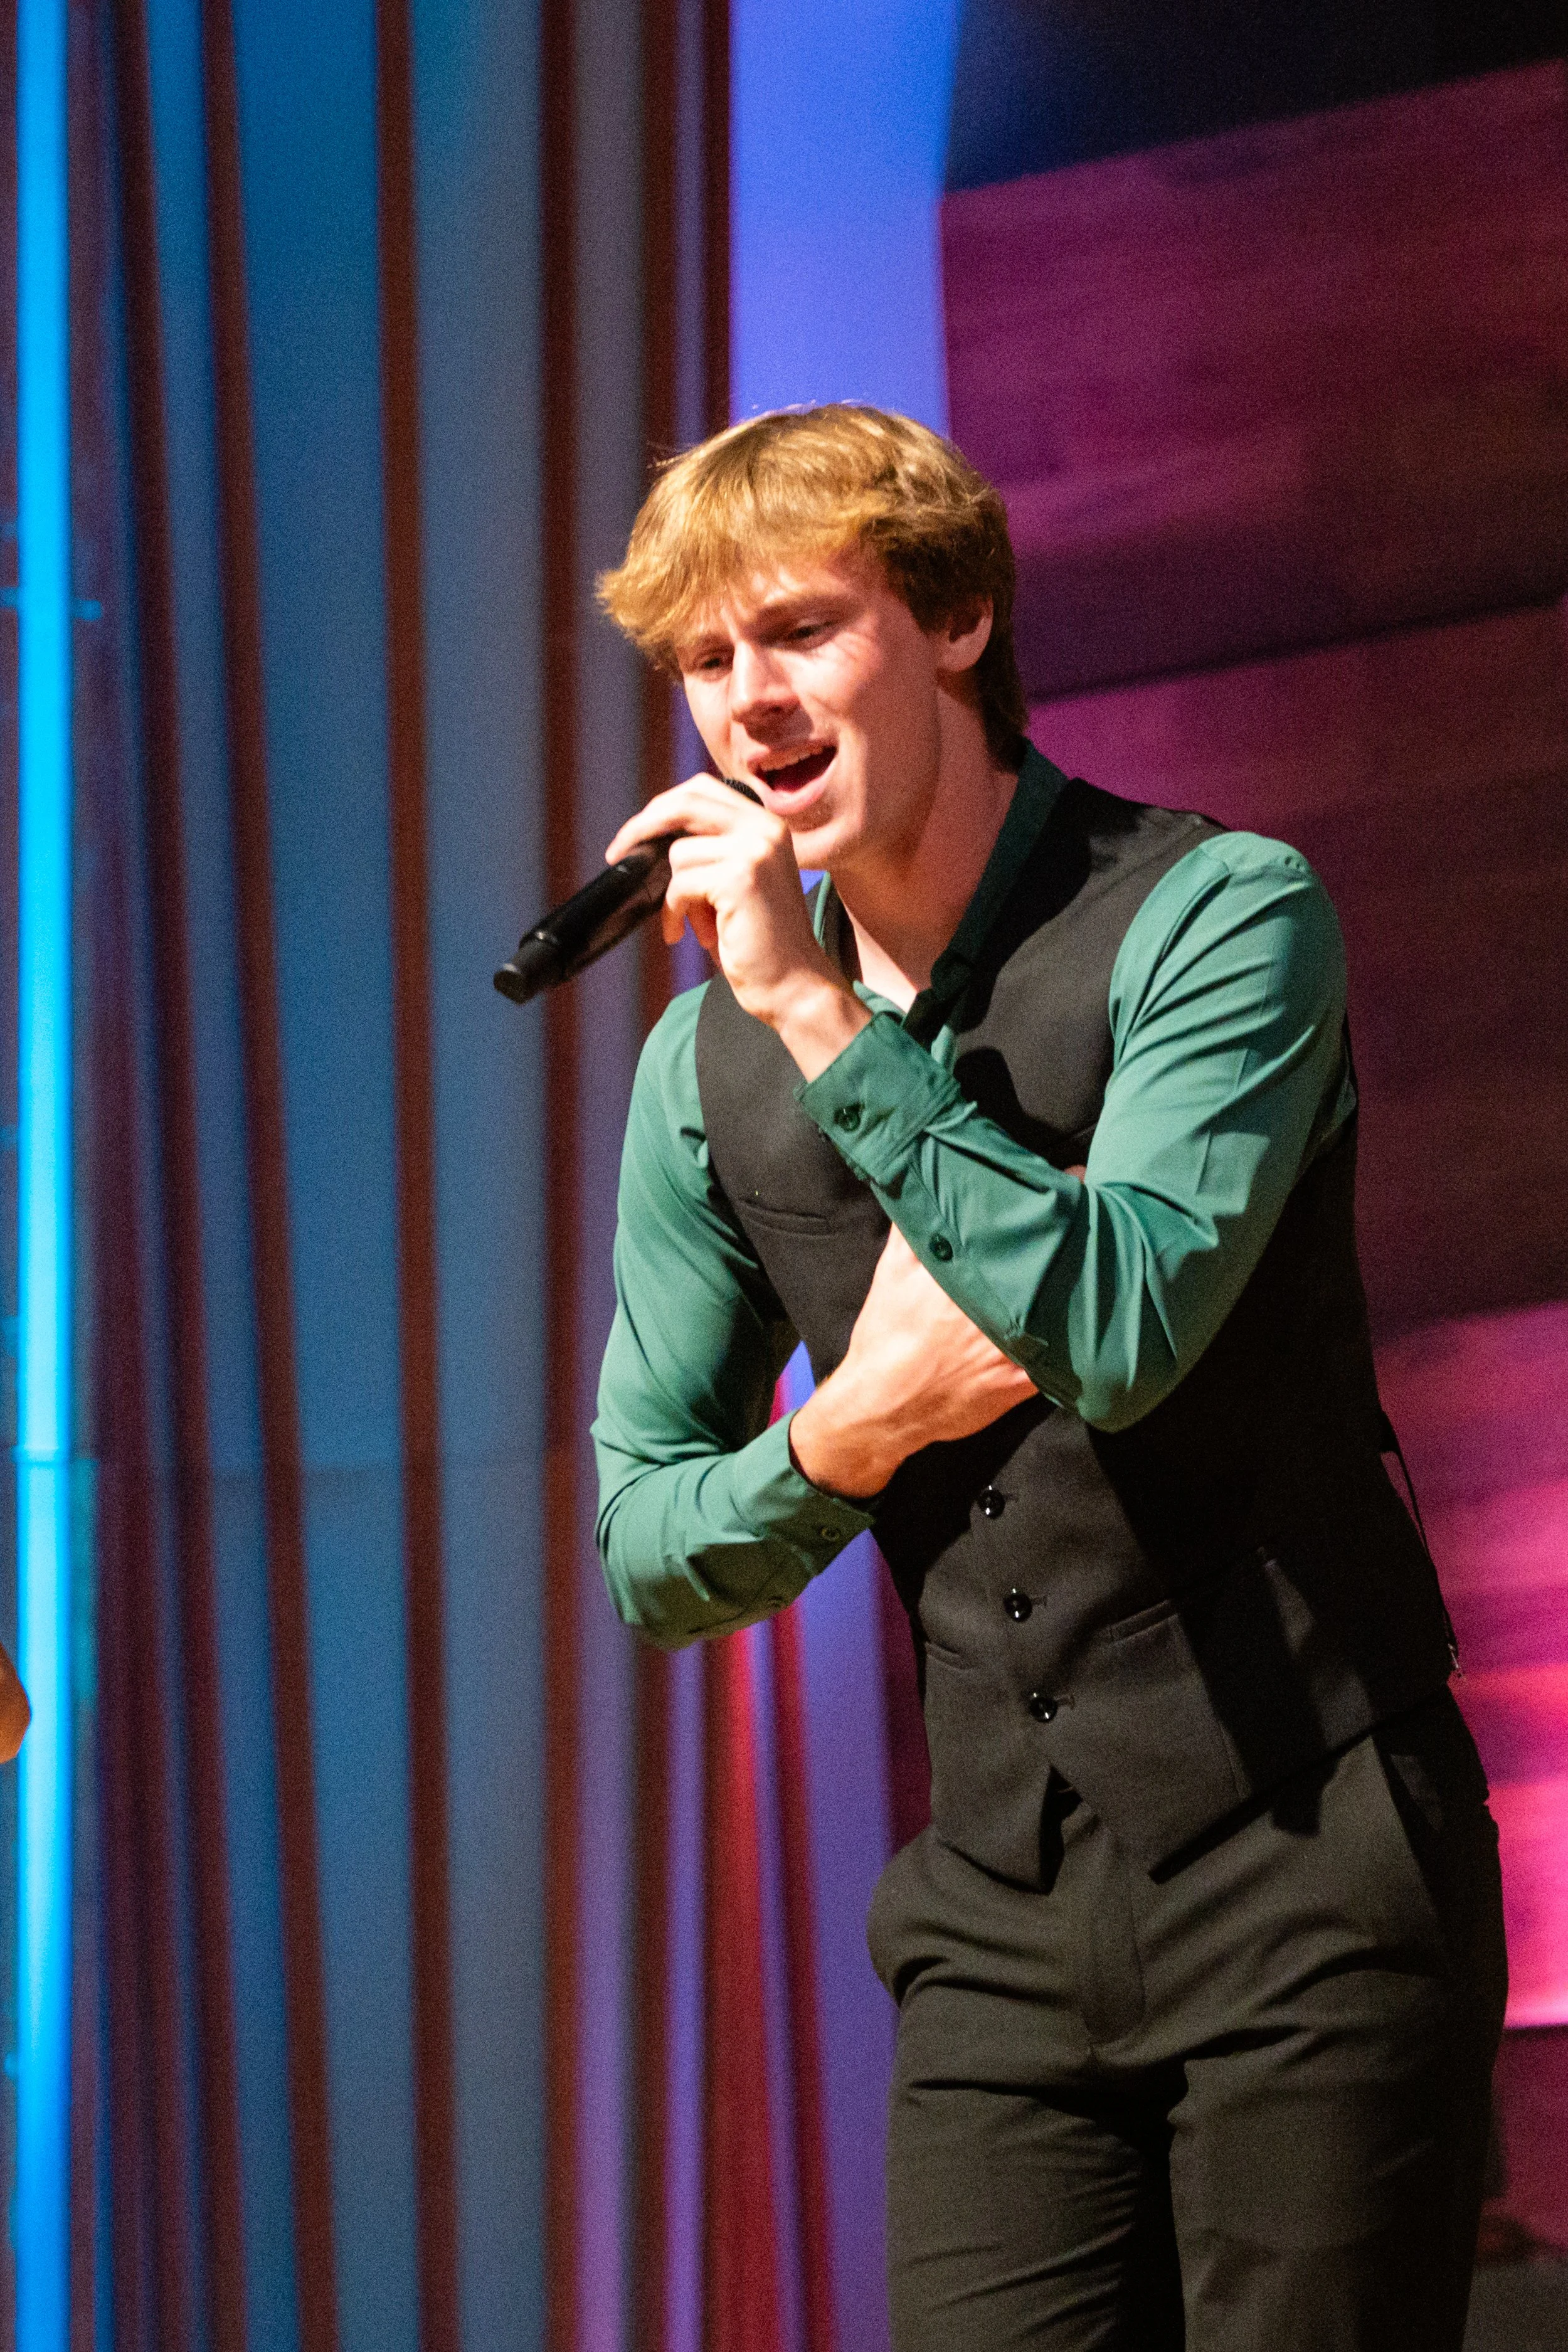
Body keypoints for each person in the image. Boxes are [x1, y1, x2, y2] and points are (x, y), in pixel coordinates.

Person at [591, 404, 1506, 2351]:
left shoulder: (1217, 912)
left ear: (955, 618)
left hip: (1307, 1860)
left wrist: (817, 1010)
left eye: (798, 629)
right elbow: (648, 1545)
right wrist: (847, 1434)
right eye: (704, 657)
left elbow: (1116, 1328)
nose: (749, 699)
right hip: (996, 1919)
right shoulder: (698, 1070)